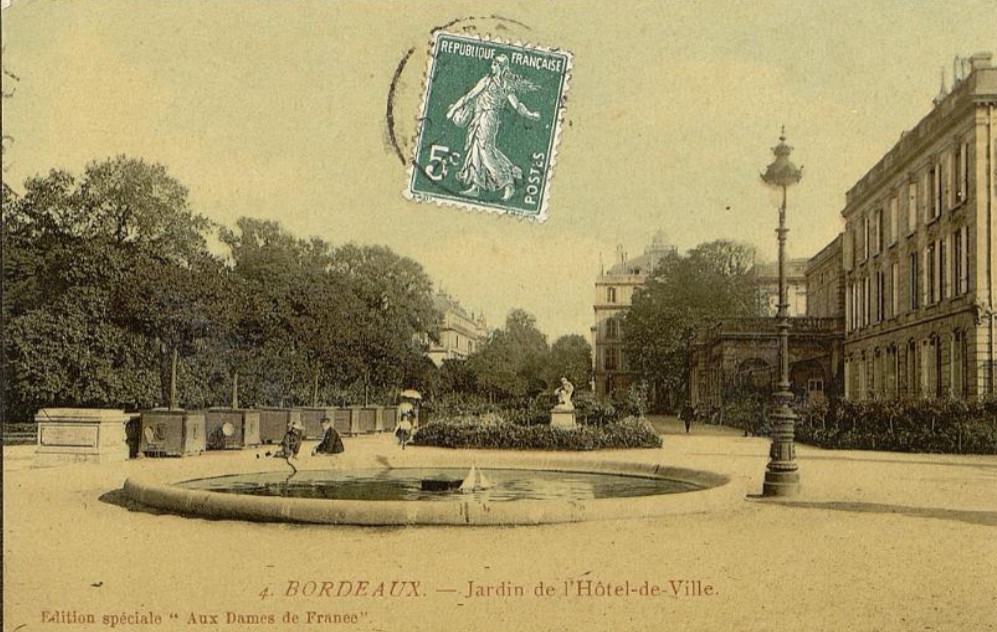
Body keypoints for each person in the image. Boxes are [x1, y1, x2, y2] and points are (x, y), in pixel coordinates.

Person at [446, 54, 540, 201]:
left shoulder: (504, 86)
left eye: (495, 64)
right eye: (492, 64)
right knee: (476, 149)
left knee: (485, 151)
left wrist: (529, 114)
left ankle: (507, 183)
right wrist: (454, 109)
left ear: (502, 68)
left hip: (489, 119)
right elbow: (469, 96)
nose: (492, 67)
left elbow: (516, 104)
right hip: (479, 117)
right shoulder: (486, 80)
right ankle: (476, 186)